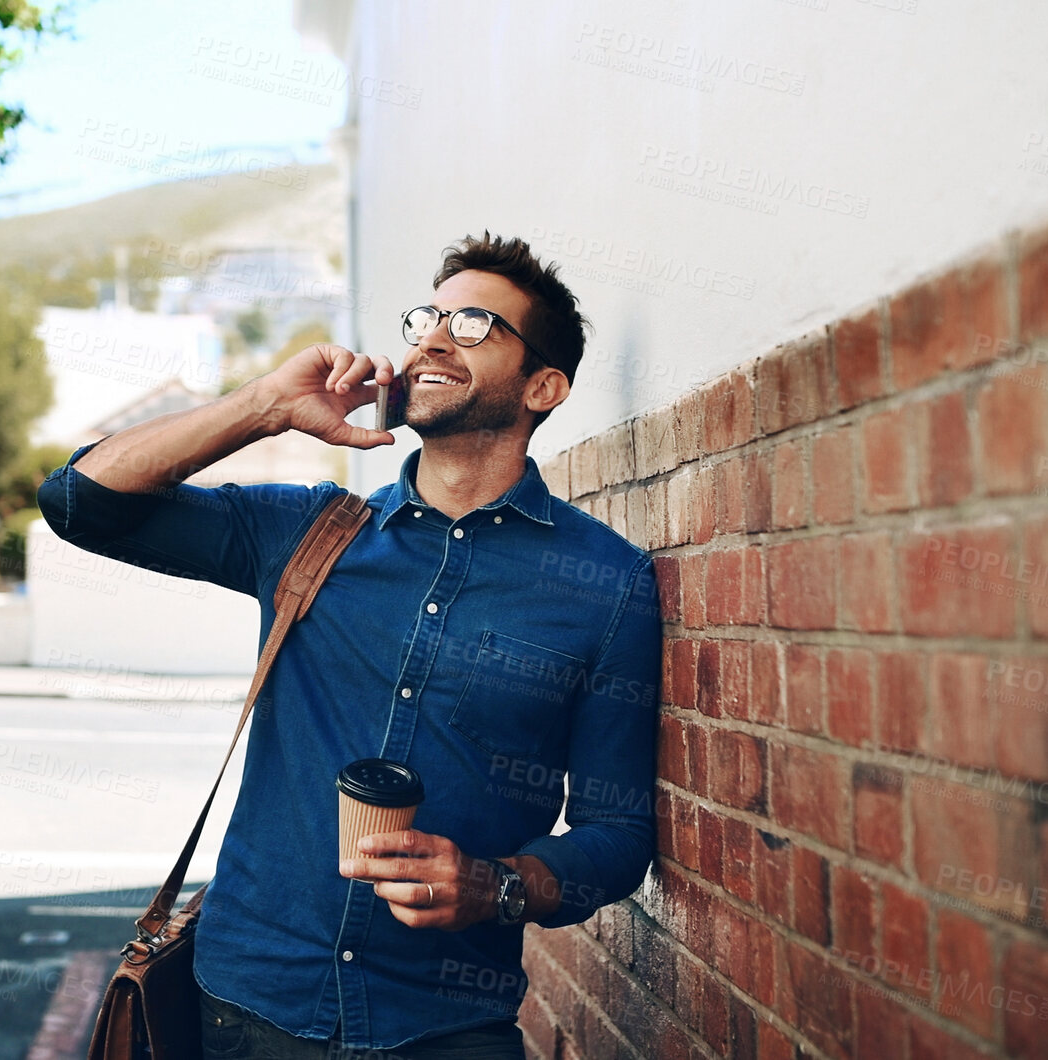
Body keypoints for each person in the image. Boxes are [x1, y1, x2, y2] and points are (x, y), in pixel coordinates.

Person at [37, 232, 661, 1058]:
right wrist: (260, 405)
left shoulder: (607, 584)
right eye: (426, 320)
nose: (432, 339)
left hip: (447, 1027)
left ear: (542, 385)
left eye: (473, 325)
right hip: (245, 1009)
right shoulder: (301, 532)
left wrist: (494, 887)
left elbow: (616, 837)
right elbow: (79, 502)